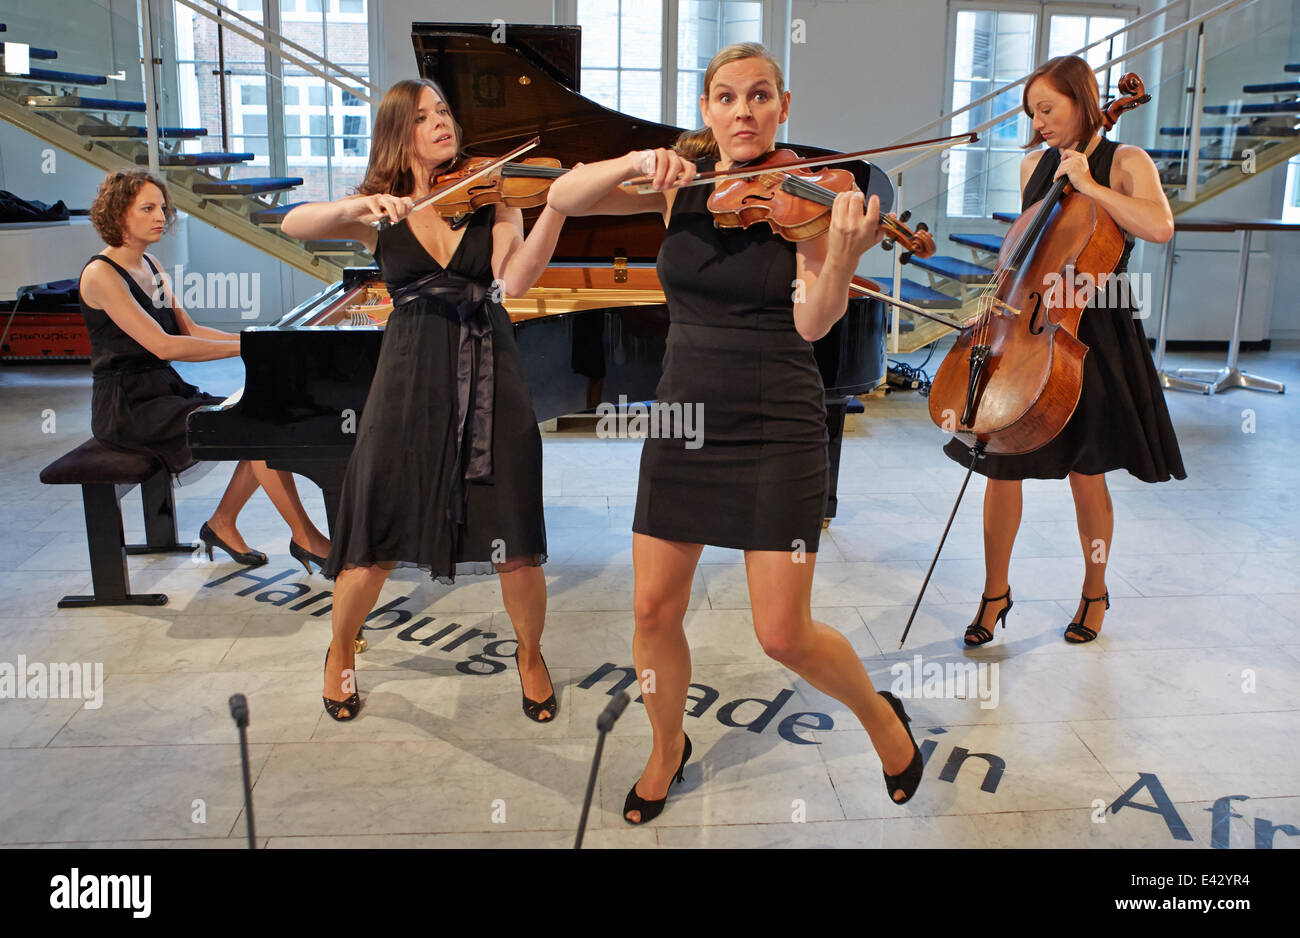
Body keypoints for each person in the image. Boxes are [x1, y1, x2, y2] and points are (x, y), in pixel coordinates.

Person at [547, 42, 924, 823]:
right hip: (684, 418)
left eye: (759, 95)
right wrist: (635, 161)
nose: (743, 111)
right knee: (652, 610)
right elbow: (564, 195)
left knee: (783, 635)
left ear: (783, 107)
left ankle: (881, 716)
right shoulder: (678, 187)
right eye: (726, 96)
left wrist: (840, 254)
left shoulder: (813, 196)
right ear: (707, 109)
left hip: (777, 421)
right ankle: (666, 747)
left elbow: (814, 322)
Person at [282, 79, 566, 722]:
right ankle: (339, 651)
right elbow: (294, 223)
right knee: (376, 532)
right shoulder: (378, 211)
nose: (441, 122)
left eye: (444, 111)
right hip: (407, 379)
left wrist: (555, 209)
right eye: (421, 116)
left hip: (490, 371)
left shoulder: (495, 197)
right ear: (396, 133)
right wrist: (361, 205)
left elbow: (516, 280)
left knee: (513, 536)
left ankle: (530, 656)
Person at [948, 55, 1184, 648]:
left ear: (1083, 101)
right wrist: (994, 306)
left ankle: (1095, 591)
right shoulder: (1035, 164)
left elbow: (1160, 227)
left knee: (1087, 469)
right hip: (1031, 323)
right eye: (1033, 113)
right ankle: (994, 593)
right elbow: (1028, 253)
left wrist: (1091, 186)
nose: (1039, 123)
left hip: (1095, 330)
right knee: (1000, 465)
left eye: (1048, 109)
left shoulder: (1126, 161)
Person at [77, 169, 331, 570]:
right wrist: (252, 347)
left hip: (163, 390)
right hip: (127, 406)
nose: (161, 216)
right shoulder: (101, 275)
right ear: (118, 213)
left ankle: (223, 523)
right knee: (252, 426)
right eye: (147, 208)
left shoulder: (151, 264)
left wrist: (255, 339)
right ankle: (306, 537)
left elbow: (190, 330)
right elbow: (164, 345)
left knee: (260, 418)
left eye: (162, 208)